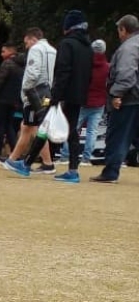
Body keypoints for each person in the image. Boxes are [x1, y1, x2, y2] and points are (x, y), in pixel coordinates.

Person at [16, 10, 92, 184]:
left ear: (68, 27)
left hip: (63, 95)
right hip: (79, 94)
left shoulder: (67, 44)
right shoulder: (87, 47)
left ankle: (27, 164)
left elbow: (63, 72)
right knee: (70, 131)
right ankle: (72, 170)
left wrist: (55, 96)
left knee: (45, 125)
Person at [1, 27, 57, 176]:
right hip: (46, 93)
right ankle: (48, 163)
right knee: (37, 127)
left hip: (34, 93)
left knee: (27, 127)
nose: (26, 46)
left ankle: (13, 159)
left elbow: (33, 71)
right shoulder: (52, 50)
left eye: (27, 43)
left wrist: (26, 89)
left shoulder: (36, 49)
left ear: (33, 39)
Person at [91, 14, 139, 183]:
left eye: (119, 30)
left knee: (118, 136)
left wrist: (118, 93)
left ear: (124, 29)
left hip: (129, 99)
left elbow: (126, 73)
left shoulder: (128, 48)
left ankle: (110, 171)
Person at [58, 38, 110, 167]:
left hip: (83, 101)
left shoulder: (85, 65)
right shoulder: (107, 67)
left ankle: (65, 156)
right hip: (99, 103)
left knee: (72, 128)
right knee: (92, 131)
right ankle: (86, 159)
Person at [0, 43, 24, 160]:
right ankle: (15, 152)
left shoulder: (7, 63)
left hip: (2, 99)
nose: (1, 54)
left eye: (3, 51)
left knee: (0, 126)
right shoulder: (21, 66)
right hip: (14, 101)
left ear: (10, 52)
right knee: (10, 127)